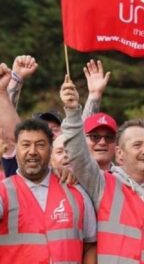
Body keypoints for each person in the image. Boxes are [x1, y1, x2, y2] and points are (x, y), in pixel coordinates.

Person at [0, 119, 96, 263]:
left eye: (40, 145)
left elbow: (90, 245)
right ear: (16, 149)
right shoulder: (2, 191)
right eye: (25, 145)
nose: (32, 152)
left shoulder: (75, 191)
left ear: (50, 149)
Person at [60, 74, 144, 263]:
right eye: (137, 145)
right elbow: (79, 155)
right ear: (120, 154)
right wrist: (73, 111)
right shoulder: (105, 184)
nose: (143, 150)